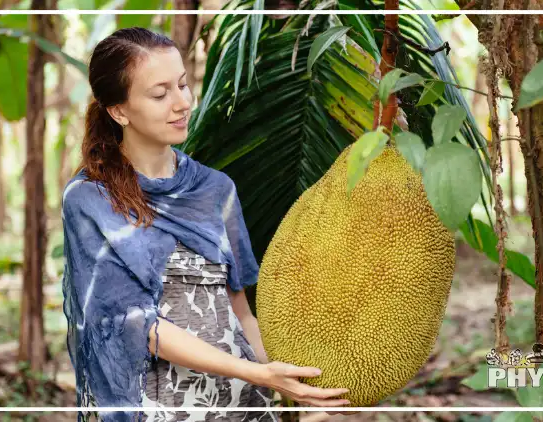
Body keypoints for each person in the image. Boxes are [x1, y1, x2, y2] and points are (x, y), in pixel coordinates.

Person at [61, 27, 352, 422]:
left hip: (240, 402)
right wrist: (258, 372)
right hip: (158, 406)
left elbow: (240, 312)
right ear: (119, 110)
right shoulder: (89, 200)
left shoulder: (216, 189)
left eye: (182, 85)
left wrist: (291, 383)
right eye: (160, 94)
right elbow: (139, 326)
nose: (182, 103)